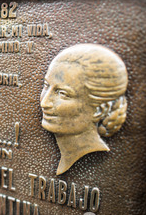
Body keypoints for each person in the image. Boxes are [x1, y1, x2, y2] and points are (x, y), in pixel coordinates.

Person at [40, 44, 128, 175]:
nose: (44, 103)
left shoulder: (100, 167)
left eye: (63, 94)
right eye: (47, 86)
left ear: (100, 110)